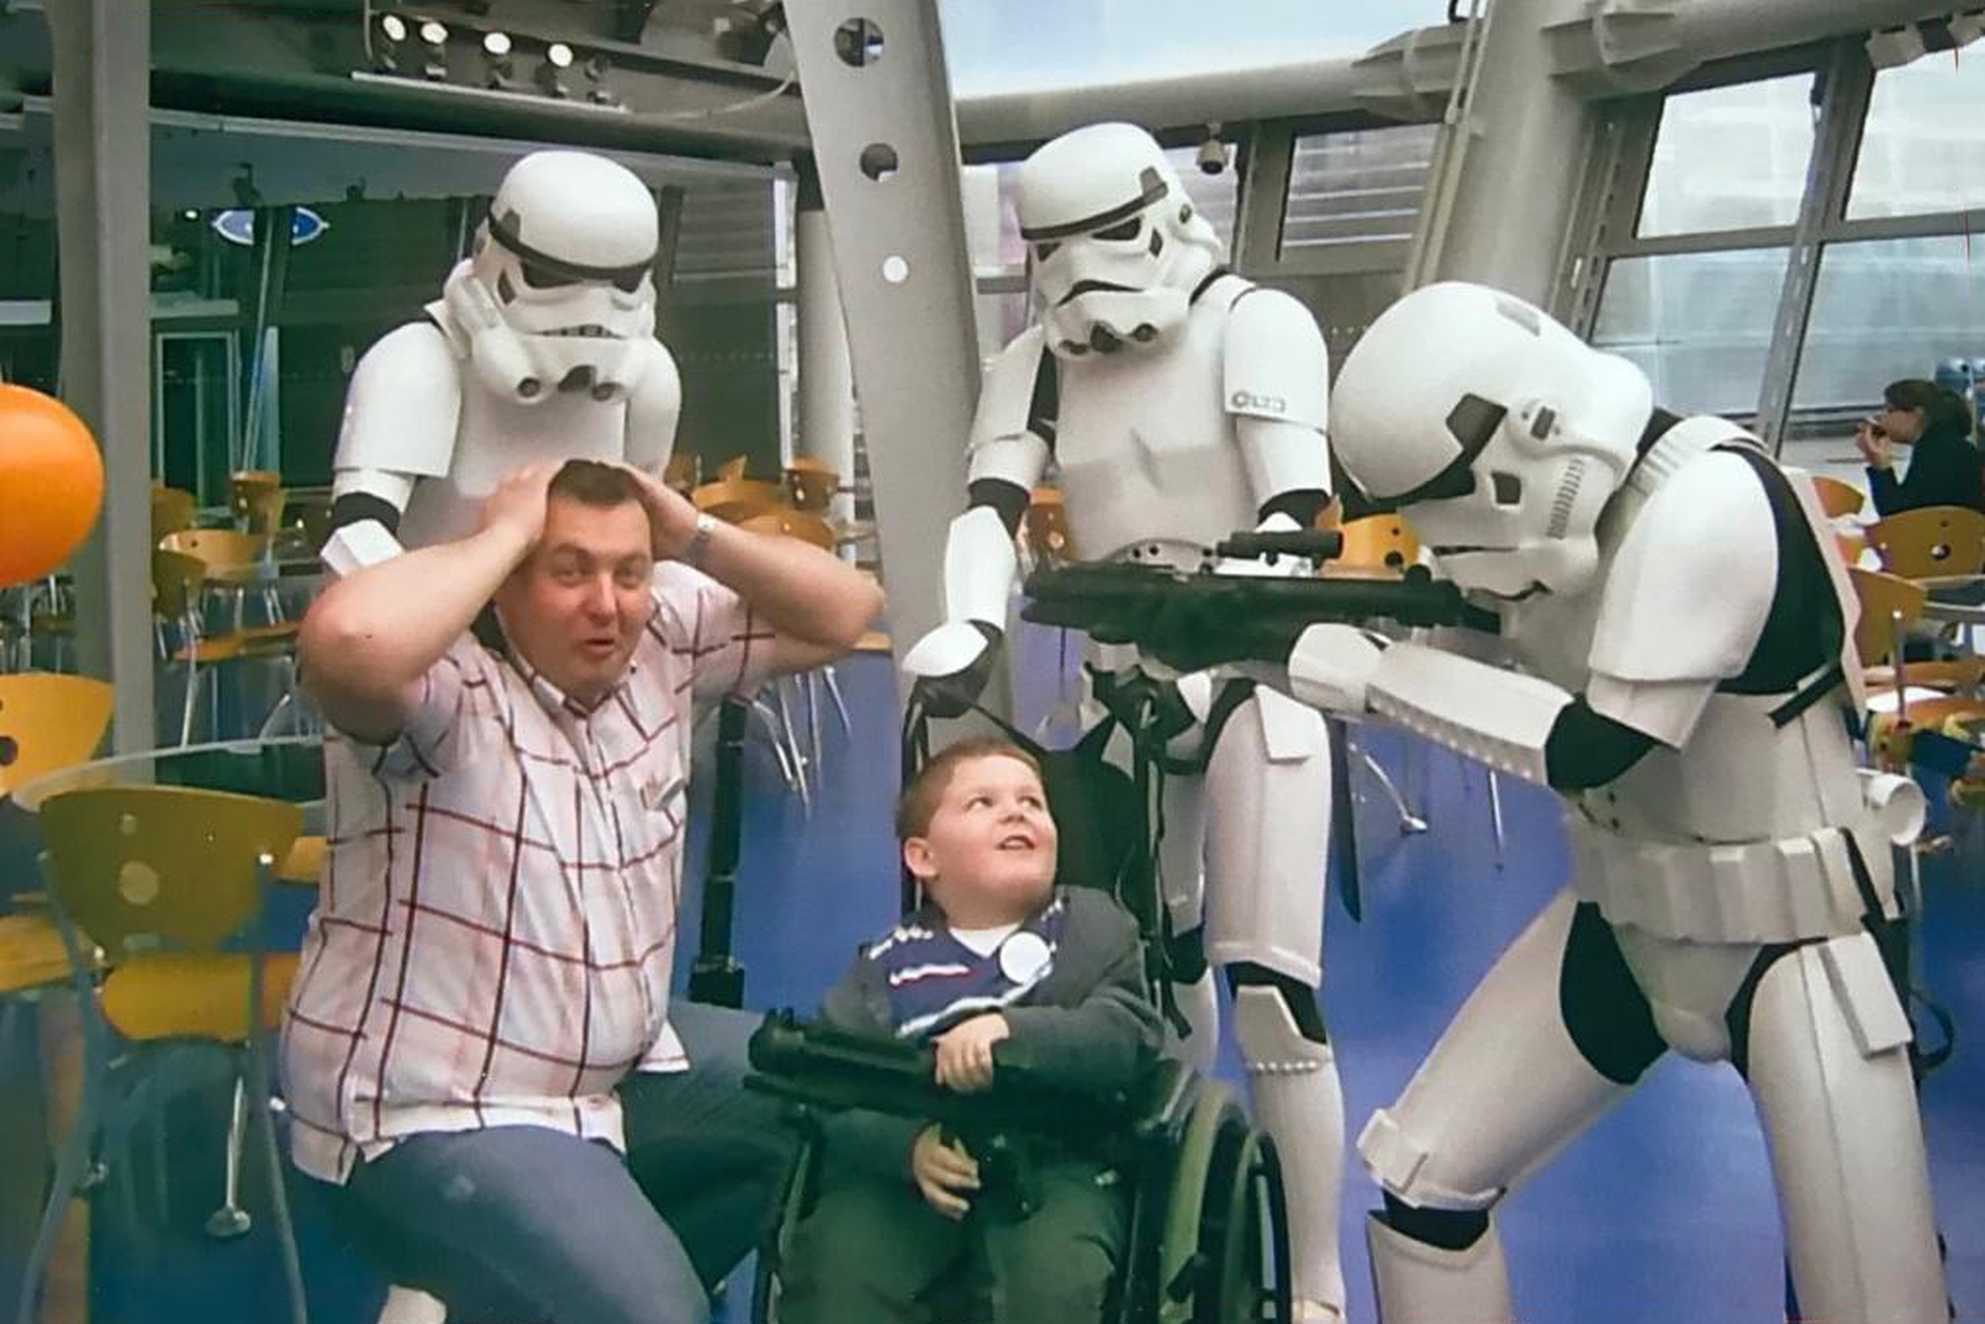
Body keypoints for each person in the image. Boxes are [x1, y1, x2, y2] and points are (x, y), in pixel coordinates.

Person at [1255, 282, 1944, 1323]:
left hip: (1796, 939)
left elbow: (1595, 743)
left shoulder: (1706, 504)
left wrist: (1369, 671)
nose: (1441, 543)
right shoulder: (1545, 525)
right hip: (1623, 921)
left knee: (1872, 1297)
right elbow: (1482, 631)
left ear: (1524, 434)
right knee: (1423, 1181)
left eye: (1446, 505)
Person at [898, 121, 1349, 1318]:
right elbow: (990, 503)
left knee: (1272, 992)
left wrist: (1210, 672)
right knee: (1144, 966)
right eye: (1054, 253)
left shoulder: (1255, 324)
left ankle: (1314, 1281)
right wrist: (970, 625)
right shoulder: (1037, 361)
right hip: (1115, 690)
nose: (1082, 279)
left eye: (1104, 241)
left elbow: (1297, 522)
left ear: (1159, 214)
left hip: (1255, 685)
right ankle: (1158, 1183)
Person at [281, 457, 883, 1324]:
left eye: (627, 572)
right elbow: (349, 644)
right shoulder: (446, 691)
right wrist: (502, 532)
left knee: (839, 1107)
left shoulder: (659, 646)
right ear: (505, 586)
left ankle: (513, 1299)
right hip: (436, 1114)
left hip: (619, 1073)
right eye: (568, 572)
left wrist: (692, 533)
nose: (605, 603)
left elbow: (847, 610)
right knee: (656, 1315)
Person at [776, 738, 1162, 1324]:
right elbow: (835, 1083)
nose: (1017, 812)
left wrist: (1012, 1031)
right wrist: (905, 1147)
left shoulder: (1093, 928)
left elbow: (1125, 1033)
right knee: (837, 1270)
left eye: (1033, 802)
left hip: (1059, 1157)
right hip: (918, 1158)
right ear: (923, 857)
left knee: (1054, 1285)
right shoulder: (886, 965)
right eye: (983, 803)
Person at [1854, 377, 1985, 516]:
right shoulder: (1949, 445)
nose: (1883, 418)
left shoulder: (1935, 453)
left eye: (1889, 410)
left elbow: (1898, 517)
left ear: (1916, 414)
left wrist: (1880, 467)